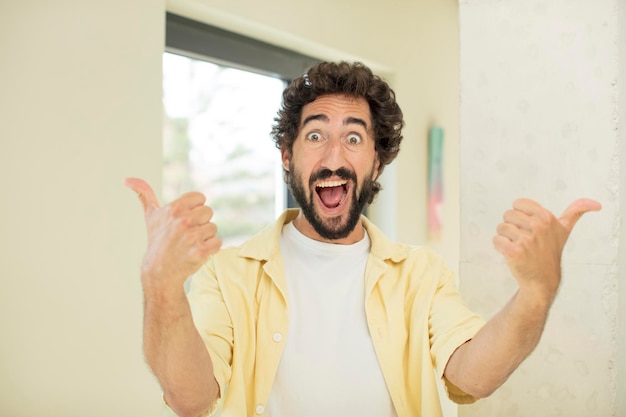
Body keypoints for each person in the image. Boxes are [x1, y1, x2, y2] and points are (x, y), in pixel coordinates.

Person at [125, 61, 601, 417]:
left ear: (376, 162)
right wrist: (160, 286)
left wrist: (537, 294)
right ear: (288, 156)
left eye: (354, 139)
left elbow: (473, 374)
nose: (334, 156)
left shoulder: (422, 274)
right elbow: (191, 397)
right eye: (315, 137)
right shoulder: (228, 275)